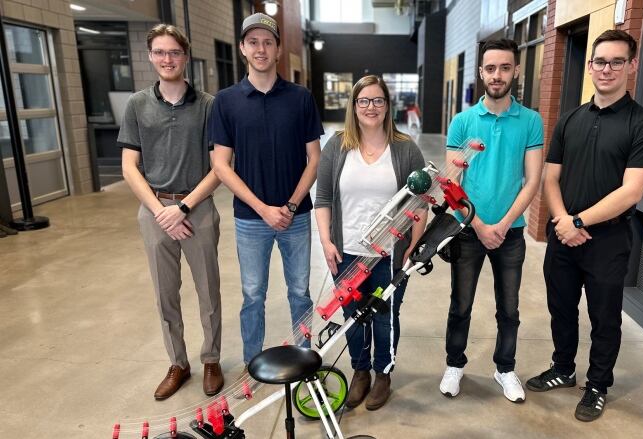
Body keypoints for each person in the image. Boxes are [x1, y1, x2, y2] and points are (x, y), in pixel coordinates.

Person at [526, 29, 643, 422]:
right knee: (561, 308)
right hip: (563, 235)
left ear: (631, 66)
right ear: (589, 67)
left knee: (605, 317)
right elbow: (551, 178)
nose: (607, 69)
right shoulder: (569, 120)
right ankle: (564, 369)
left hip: (607, 239)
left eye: (617, 61)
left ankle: (598, 385)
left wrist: (580, 221)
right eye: (600, 61)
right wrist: (563, 222)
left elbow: (632, 191)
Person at [210, 13, 322, 367]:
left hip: (297, 217)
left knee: (300, 293)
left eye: (268, 42)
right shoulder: (225, 102)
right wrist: (262, 208)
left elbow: (314, 159)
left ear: (278, 50)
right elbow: (221, 165)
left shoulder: (300, 98)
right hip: (250, 219)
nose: (261, 48)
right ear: (243, 48)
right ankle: (251, 364)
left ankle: (303, 359)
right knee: (253, 294)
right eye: (253, 42)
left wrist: (289, 206)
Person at [118, 24, 223, 400]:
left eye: (174, 52)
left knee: (208, 289)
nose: (167, 59)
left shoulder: (210, 105)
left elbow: (220, 167)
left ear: (185, 56)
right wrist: (161, 211)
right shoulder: (136, 105)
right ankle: (178, 363)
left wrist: (183, 207)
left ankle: (211, 358)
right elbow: (129, 166)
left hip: (198, 208)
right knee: (165, 294)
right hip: (154, 209)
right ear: (150, 57)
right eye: (160, 52)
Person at [438, 38, 544, 403]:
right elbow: (452, 182)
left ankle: (505, 368)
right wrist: (480, 225)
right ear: (481, 72)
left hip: (511, 233)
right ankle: (455, 363)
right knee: (461, 303)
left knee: (509, 308)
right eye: (490, 68)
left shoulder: (531, 121)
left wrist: (503, 224)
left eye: (504, 67)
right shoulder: (463, 122)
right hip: (468, 230)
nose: (497, 75)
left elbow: (532, 180)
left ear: (516, 70)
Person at [314, 75, 427, 411]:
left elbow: (421, 202)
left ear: (388, 106)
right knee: (352, 315)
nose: (371, 107)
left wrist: (413, 245)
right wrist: (325, 241)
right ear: (354, 106)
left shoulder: (406, 148)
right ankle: (360, 372)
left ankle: (383, 375)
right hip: (346, 251)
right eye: (363, 101)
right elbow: (322, 198)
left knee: (384, 316)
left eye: (378, 100)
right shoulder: (337, 145)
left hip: (388, 255)